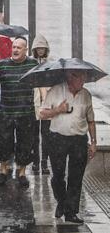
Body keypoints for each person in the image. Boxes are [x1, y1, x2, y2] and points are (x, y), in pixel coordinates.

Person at [40, 71, 96, 224]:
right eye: (80, 77)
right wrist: (58, 110)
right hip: (58, 138)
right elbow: (41, 114)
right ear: (70, 78)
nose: (83, 80)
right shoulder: (55, 91)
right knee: (58, 175)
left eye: (85, 76)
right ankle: (62, 201)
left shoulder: (86, 95)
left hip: (79, 139)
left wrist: (93, 142)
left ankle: (70, 212)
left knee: (76, 177)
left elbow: (91, 120)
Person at [0, 37, 39, 188]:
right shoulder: (2, 65)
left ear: (25, 50)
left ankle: (21, 173)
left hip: (26, 112)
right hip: (6, 112)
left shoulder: (33, 64)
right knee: (3, 142)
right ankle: (3, 171)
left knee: (25, 143)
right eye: (14, 47)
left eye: (19, 48)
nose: (15, 50)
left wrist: (44, 105)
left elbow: (40, 83)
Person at [31, 34, 51, 174]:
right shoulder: (30, 63)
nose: (40, 50)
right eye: (38, 48)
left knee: (46, 136)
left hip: (47, 104)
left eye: (42, 48)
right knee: (34, 136)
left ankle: (44, 162)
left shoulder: (50, 64)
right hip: (34, 103)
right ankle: (36, 161)